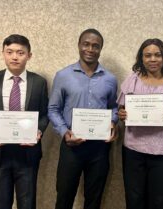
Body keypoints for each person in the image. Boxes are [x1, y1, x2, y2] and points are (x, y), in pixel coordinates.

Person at [117, 38, 163, 209]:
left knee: (161, 200)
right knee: (134, 199)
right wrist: (122, 114)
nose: (153, 59)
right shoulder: (132, 80)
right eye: (148, 55)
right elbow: (121, 109)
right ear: (141, 58)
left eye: (157, 55)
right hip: (133, 150)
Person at [48, 28, 118, 209]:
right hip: (71, 146)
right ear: (79, 45)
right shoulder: (63, 76)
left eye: (96, 46)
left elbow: (114, 108)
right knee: (64, 197)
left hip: (99, 148)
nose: (90, 49)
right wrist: (64, 132)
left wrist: (113, 122)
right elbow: (53, 109)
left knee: (94, 199)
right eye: (86, 44)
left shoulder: (110, 78)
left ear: (101, 49)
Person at [0, 34, 49, 209]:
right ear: (3, 53)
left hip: (27, 154)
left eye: (20, 52)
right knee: (1, 204)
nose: (14, 57)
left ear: (29, 55)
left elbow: (45, 114)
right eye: (9, 52)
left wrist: (38, 131)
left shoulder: (39, 82)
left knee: (27, 204)